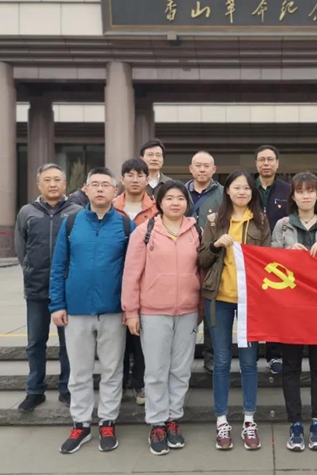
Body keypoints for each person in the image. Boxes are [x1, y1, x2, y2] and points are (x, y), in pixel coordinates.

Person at [49, 167, 135, 454]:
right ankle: (81, 424)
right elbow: (58, 266)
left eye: (105, 185)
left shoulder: (126, 225)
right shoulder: (71, 223)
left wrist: (130, 307)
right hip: (76, 310)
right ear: (85, 189)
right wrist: (57, 304)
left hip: (113, 310)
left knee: (112, 369)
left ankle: (107, 421)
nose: (100, 189)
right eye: (94, 184)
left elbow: (134, 270)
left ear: (115, 191)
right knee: (79, 371)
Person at [121, 180, 203, 456]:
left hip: (188, 311)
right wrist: (131, 311)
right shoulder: (144, 232)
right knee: (156, 370)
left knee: (180, 369)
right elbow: (131, 274)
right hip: (153, 311)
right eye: (169, 198)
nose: (175, 203)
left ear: (187, 203)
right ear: (159, 202)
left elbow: (202, 272)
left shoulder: (197, 231)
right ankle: (156, 423)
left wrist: (200, 309)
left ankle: (173, 418)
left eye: (180, 198)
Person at [198, 170, 271, 451]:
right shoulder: (215, 221)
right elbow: (201, 259)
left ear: (253, 192)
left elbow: (268, 260)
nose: (242, 192)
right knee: (221, 361)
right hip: (219, 298)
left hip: (250, 300)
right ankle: (222, 420)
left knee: (250, 362)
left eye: (247, 188)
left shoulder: (261, 221)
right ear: (227, 191)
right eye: (237, 187)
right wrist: (216, 245)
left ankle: (249, 420)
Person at [271, 171, 317, 452]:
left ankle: (316, 421)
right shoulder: (282, 226)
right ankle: (295, 423)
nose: (305, 196)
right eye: (299, 191)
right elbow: (271, 263)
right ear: (293, 196)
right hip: (290, 308)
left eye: (310, 191)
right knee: (290, 368)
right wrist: (288, 255)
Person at [15, 163, 81, 412]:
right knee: (35, 342)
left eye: (57, 180)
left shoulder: (76, 211)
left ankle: (67, 389)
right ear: (38, 184)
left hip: (68, 289)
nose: (52, 184)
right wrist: (30, 270)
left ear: (65, 184)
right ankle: (35, 390)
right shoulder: (27, 212)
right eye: (47, 180)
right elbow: (21, 248)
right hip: (37, 288)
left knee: (69, 343)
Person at [113, 158, 158, 405]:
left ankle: (140, 383)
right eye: (129, 174)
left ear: (147, 179)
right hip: (113, 280)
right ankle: (119, 384)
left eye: (140, 175)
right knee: (117, 339)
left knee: (141, 337)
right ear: (122, 179)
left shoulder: (157, 210)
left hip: (146, 282)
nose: (135, 179)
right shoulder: (111, 207)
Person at [185, 151, 224, 374]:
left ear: (213, 169)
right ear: (191, 169)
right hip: (183, 256)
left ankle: (210, 356)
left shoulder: (223, 193)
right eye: (197, 165)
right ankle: (183, 355)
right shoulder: (180, 192)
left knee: (212, 309)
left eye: (206, 166)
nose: (202, 169)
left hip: (212, 256)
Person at [255, 145, 291, 375]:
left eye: (270, 160)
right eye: (262, 160)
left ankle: (275, 354)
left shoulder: (288, 190)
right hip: (252, 255)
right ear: (256, 163)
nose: (266, 164)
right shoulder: (248, 188)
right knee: (253, 305)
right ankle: (249, 353)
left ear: (277, 164)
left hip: (280, 257)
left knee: (277, 306)